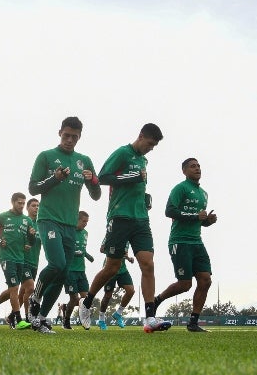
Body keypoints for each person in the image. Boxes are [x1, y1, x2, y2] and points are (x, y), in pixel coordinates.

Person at [79, 123, 172, 333]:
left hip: (141, 219)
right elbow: (102, 177)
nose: (151, 149)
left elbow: (136, 186)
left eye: (154, 146)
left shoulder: (143, 160)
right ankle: (86, 304)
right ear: (140, 136)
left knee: (148, 264)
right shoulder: (122, 153)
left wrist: (144, 198)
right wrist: (133, 178)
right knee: (111, 268)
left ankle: (150, 318)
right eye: (150, 144)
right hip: (119, 217)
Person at [27, 117, 101, 334]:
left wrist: (93, 181)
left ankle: (41, 319)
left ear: (79, 137)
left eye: (74, 137)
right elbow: (33, 188)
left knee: (62, 273)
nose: (70, 140)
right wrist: (54, 178)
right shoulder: (47, 156)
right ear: (60, 132)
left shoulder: (84, 161)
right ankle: (35, 297)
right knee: (57, 263)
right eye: (66, 135)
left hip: (70, 224)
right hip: (49, 219)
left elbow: (96, 196)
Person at [153, 158, 217, 332]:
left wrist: (207, 221)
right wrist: (197, 217)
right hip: (180, 241)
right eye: (192, 166)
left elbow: (199, 220)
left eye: (198, 166)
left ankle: (193, 323)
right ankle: (157, 300)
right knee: (185, 284)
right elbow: (170, 211)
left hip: (197, 242)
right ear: (184, 171)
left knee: (205, 280)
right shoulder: (180, 188)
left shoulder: (204, 194)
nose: (197, 168)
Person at [0, 192, 36, 330]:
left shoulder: (27, 220)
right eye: (19, 203)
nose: (21, 205)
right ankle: (19, 320)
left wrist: (31, 237)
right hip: (6, 256)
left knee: (13, 288)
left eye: (23, 203)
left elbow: (31, 242)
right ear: (13, 202)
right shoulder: (2, 217)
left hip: (20, 258)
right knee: (15, 288)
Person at [62, 211, 95, 330]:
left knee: (86, 297)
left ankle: (82, 318)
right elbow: (64, 248)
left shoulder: (85, 233)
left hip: (81, 270)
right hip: (70, 270)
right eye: (83, 221)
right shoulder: (69, 232)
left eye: (87, 222)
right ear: (77, 220)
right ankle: (66, 320)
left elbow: (82, 249)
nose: (85, 224)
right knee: (74, 298)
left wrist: (88, 255)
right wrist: (73, 253)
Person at [97, 241, 135, 330]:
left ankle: (118, 313)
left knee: (131, 291)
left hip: (122, 269)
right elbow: (102, 249)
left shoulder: (127, 238)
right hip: (110, 268)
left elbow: (125, 253)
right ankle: (101, 319)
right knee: (107, 296)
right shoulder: (111, 233)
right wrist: (114, 250)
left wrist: (129, 258)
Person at [18, 198, 41, 323]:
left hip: (34, 262)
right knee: (31, 288)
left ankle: (12, 315)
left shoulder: (41, 225)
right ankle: (28, 318)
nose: (36, 208)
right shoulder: (23, 222)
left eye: (38, 206)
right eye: (33, 205)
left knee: (23, 291)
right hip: (22, 261)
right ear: (27, 208)